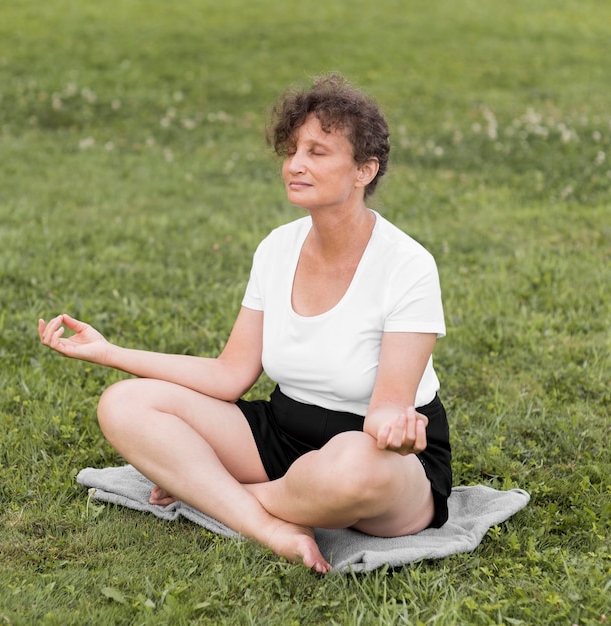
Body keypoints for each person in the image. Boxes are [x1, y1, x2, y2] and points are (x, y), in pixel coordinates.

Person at [39, 74, 451, 574]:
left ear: (365, 170)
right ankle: (270, 525)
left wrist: (399, 434)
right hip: (283, 432)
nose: (295, 165)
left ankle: (218, 495)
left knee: (353, 467)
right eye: (293, 149)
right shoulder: (277, 248)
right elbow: (230, 375)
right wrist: (110, 353)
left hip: (374, 454)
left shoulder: (407, 264)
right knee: (124, 402)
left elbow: (384, 411)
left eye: (318, 153)